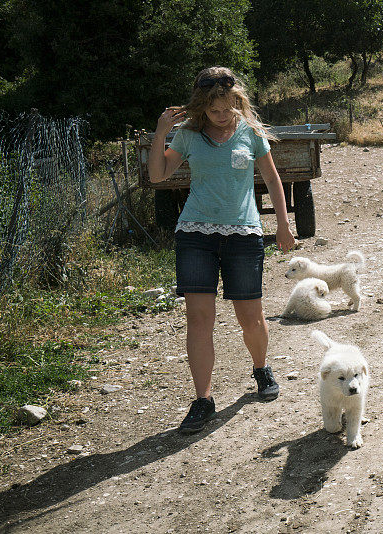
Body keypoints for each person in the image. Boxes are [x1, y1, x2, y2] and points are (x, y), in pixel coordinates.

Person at [148, 66, 296, 434]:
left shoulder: (251, 133)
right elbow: (157, 175)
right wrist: (160, 134)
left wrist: (282, 223)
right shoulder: (188, 135)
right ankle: (203, 400)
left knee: (251, 318)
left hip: (244, 235)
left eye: (227, 106)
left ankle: (261, 368)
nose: (221, 114)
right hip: (195, 234)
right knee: (199, 319)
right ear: (201, 105)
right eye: (213, 108)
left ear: (237, 100)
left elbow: (272, 178)